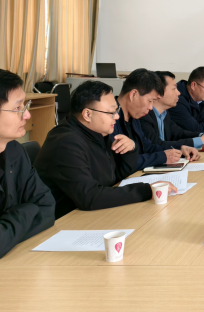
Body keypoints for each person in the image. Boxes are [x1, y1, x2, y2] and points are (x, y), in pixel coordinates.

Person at [36, 80, 176, 219]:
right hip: (65, 220)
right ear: (87, 114)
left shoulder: (96, 133)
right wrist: (146, 190)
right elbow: (90, 196)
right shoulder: (66, 143)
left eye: (116, 110)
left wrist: (130, 149)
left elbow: (116, 176)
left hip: (92, 213)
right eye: (111, 112)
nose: (117, 117)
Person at [0, 70, 55, 258]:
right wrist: (28, 209)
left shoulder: (15, 150)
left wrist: (9, 236)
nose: (27, 115)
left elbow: (47, 207)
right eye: (17, 108)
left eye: (26, 106)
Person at [115, 69, 199, 170]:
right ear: (133, 94)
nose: (151, 107)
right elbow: (119, 164)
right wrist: (162, 157)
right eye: (150, 101)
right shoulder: (109, 120)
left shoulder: (134, 117)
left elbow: (148, 147)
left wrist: (180, 149)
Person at [140, 71, 204, 151]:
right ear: (158, 92)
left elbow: (178, 133)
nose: (178, 93)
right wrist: (199, 141)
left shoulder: (165, 113)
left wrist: (201, 135)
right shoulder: (144, 115)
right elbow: (157, 145)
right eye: (174, 89)